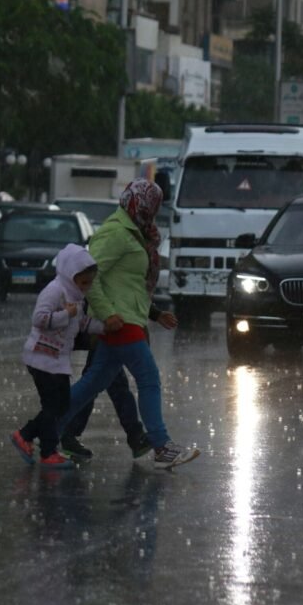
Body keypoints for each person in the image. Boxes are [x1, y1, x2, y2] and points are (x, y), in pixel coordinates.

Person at [58, 179, 199, 470]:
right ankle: (160, 446)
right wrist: (107, 314)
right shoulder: (116, 232)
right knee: (148, 379)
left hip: (127, 318)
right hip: (119, 322)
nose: (151, 212)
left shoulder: (135, 233)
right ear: (135, 202)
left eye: (154, 207)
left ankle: (41, 431)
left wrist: (154, 313)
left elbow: (130, 285)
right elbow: (87, 278)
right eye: (148, 206)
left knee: (90, 385)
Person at [10, 243, 105, 470]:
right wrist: (66, 314)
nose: (85, 288)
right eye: (82, 283)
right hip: (42, 359)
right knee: (56, 406)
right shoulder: (55, 291)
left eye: (89, 283)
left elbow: (81, 323)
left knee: (59, 406)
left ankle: (31, 440)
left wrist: (103, 327)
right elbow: (39, 319)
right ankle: (43, 447)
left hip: (58, 360)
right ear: (70, 275)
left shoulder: (76, 296)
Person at [60, 302, 176, 461]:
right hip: (111, 329)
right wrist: (154, 313)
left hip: (114, 328)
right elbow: (120, 293)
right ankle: (56, 430)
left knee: (103, 385)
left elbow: (130, 293)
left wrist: (154, 313)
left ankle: (54, 429)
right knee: (97, 386)